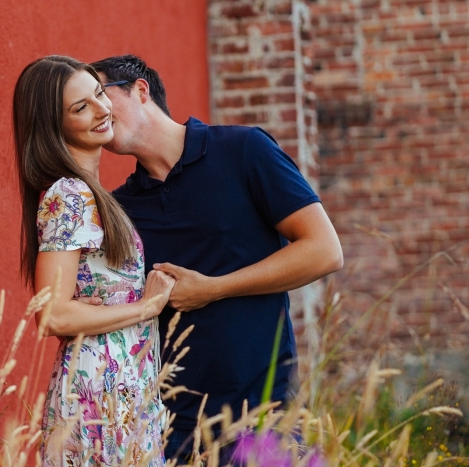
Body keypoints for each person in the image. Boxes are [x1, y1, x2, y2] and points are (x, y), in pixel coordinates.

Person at [89, 55, 344, 465]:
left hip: (264, 415)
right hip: (172, 431)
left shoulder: (243, 150)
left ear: (140, 90)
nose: (96, 110)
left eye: (100, 94)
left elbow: (324, 250)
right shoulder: (119, 209)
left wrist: (213, 288)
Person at [12, 55, 175, 467]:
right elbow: (51, 316)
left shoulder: (93, 194)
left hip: (123, 393)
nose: (103, 110)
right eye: (81, 107)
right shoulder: (71, 195)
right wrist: (146, 307)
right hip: (96, 401)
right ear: (54, 126)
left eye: (99, 93)